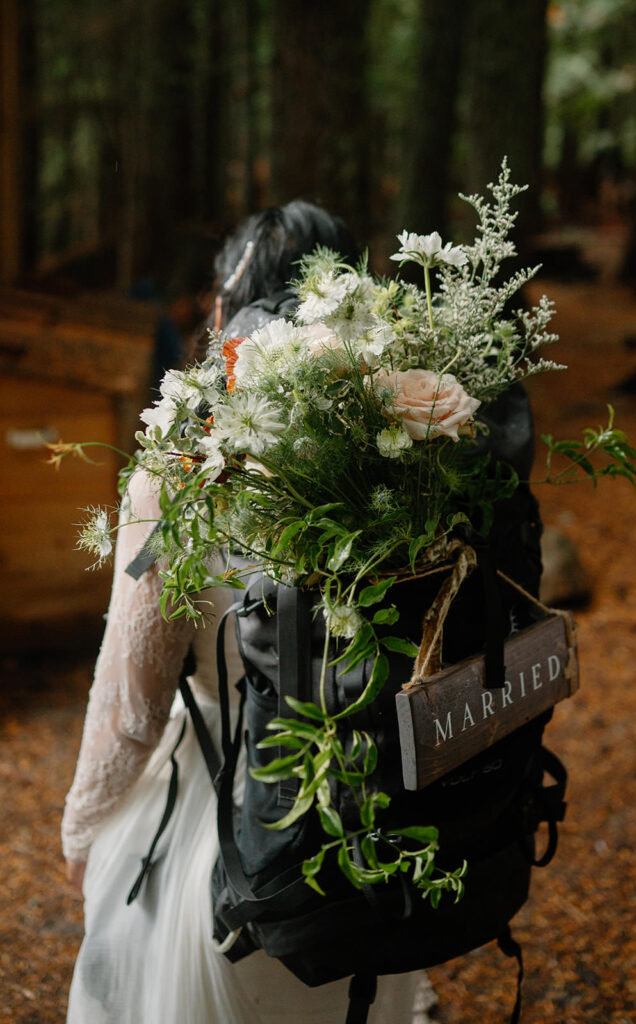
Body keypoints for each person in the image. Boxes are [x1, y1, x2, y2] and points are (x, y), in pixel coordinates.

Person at [62, 202, 422, 1024]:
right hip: (362, 836)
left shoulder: (183, 472)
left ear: (228, 307)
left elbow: (131, 704)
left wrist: (82, 833)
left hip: (228, 845)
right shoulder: (401, 454)